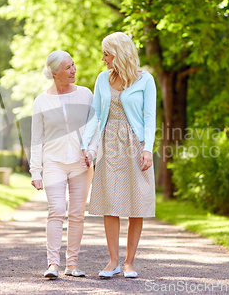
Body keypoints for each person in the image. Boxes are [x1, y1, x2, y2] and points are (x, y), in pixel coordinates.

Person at [81, 32, 156, 279]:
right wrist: (86, 145)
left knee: (137, 204)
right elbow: (96, 115)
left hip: (136, 145)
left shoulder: (145, 80)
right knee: (109, 202)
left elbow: (149, 117)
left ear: (119, 54)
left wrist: (148, 148)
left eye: (106, 53)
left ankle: (129, 263)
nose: (103, 59)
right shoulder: (102, 79)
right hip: (108, 144)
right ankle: (112, 261)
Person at [30, 50, 98, 278]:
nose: (73, 70)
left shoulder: (86, 94)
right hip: (53, 163)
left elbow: (94, 127)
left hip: (81, 163)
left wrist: (91, 151)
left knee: (77, 213)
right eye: (68, 67)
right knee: (57, 210)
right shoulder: (41, 101)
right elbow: (36, 138)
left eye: (73, 65)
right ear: (54, 73)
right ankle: (53, 264)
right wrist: (35, 170)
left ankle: (73, 264)